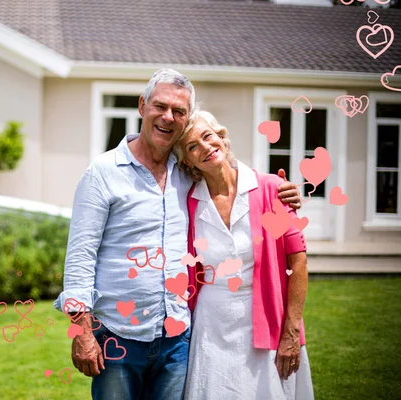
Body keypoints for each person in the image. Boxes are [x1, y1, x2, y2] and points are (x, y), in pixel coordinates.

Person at [53, 69, 301, 400]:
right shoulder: (102, 174)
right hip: (118, 338)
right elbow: (80, 257)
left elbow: (229, 176)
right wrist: (81, 331)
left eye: (179, 111)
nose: (168, 117)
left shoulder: (187, 173)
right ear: (142, 106)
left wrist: (280, 190)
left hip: (177, 339)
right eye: (161, 106)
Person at [175, 109, 314, 400]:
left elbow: (298, 263)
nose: (205, 147)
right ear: (186, 161)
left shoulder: (271, 189)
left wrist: (290, 333)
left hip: (265, 319)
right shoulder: (187, 201)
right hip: (211, 326)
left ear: (222, 138)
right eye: (192, 146)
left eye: (208, 136)